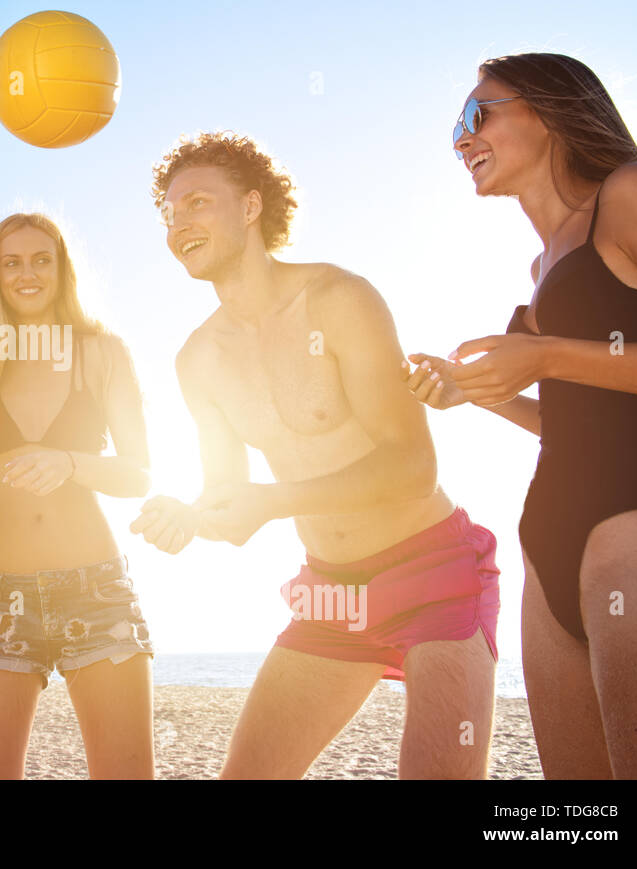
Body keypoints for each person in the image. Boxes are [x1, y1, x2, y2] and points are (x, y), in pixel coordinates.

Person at [133, 132, 500, 779]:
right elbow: (231, 499)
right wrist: (190, 516)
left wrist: (272, 503)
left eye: (195, 202)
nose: (178, 221)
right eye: (169, 212)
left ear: (250, 207)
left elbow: (414, 466)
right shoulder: (196, 360)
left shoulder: (339, 299)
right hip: (331, 597)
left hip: (433, 576)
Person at [406, 53, 637, 779]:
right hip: (547, 555)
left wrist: (548, 354)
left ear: (549, 110)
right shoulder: (541, 264)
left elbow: (575, 370)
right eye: (455, 128)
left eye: (477, 115)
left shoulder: (631, 193)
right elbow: (588, 422)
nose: (461, 139)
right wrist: (484, 393)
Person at [0, 213, 153, 779]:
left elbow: (139, 475)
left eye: (41, 259)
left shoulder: (102, 352)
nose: (28, 274)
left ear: (61, 269)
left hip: (94, 589)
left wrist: (71, 463)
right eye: (12, 262)